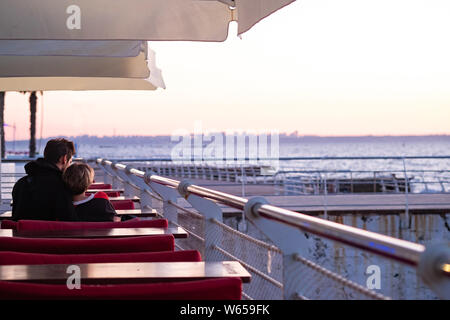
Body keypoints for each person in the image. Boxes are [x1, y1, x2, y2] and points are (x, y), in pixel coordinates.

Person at [12, 138, 78, 221]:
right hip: (49, 233)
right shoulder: (62, 185)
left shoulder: (21, 183)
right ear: (64, 159)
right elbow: (70, 220)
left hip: (19, 233)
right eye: (70, 161)